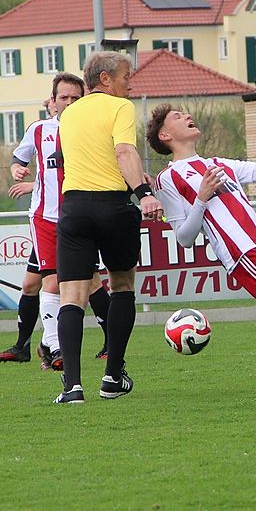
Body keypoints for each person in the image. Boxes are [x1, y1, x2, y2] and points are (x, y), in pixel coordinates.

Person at [146, 83, 256, 392]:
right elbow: (184, 237)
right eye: (177, 116)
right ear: (165, 136)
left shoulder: (219, 164)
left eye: (185, 113)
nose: (186, 116)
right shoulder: (168, 178)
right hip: (245, 253)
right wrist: (201, 198)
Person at [53, 51, 163, 404]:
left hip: (74, 208)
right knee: (122, 286)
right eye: (126, 76)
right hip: (113, 207)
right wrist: (143, 192)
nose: (130, 83)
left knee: (71, 297)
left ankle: (72, 387)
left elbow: (78, 157)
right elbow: (123, 152)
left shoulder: (68, 113)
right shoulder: (120, 107)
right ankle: (113, 377)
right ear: (105, 78)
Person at [0, 73, 112, 369]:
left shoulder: (92, 130)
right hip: (45, 218)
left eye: (75, 98)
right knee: (39, 284)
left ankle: (56, 346)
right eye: (63, 97)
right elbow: (20, 159)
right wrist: (17, 170)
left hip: (78, 216)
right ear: (52, 101)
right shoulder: (39, 129)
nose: (69, 102)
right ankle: (38, 347)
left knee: (81, 281)